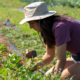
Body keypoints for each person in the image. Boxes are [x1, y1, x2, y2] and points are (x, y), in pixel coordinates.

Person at [19, 2, 80, 80]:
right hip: (76, 57)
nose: (30, 27)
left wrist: (55, 77)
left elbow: (61, 60)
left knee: (61, 78)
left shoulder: (59, 27)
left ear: (41, 20)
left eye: (32, 23)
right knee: (47, 77)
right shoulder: (48, 29)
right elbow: (49, 55)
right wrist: (31, 68)